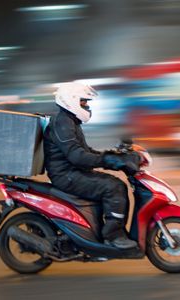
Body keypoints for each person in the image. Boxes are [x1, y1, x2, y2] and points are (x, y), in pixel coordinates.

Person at [43, 81, 140, 249]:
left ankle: (101, 231)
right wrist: (109, 161)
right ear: (70, 99)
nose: (86, 105)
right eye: (83, 101)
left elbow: (85, 151)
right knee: (113, 187)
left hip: (72, 172)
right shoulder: (63, 123)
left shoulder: (69, 121)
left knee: (113, 184)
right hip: (67, 175)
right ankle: (113, 236)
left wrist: (113, 156)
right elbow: (77, 156)